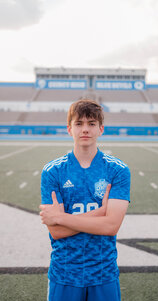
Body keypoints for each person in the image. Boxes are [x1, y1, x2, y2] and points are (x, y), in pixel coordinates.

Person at [40, 98, 131, 301]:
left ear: (101, 129)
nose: (85, 129)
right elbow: (56, 232)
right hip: (64, 271)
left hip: (103, 272)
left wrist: (61, 217)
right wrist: (100, 212)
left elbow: (110, 226)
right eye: (79, 123)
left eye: (91, 124)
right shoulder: (53, 171)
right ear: (69, 129)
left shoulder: (117, 170)